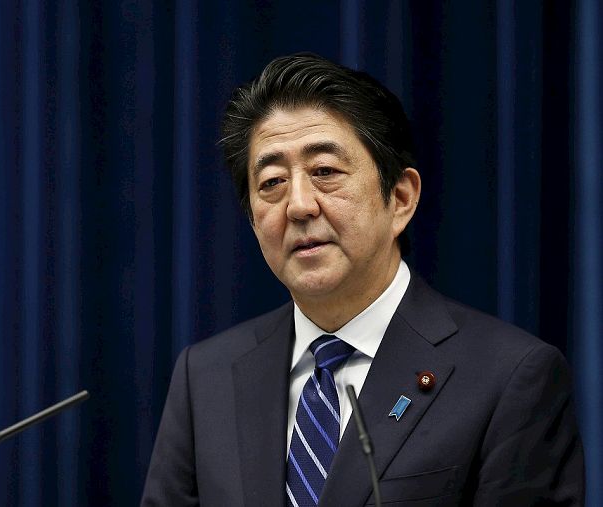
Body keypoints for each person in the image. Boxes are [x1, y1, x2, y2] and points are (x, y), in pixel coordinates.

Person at [141, 53, 584, 506]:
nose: (299, 205)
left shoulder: (509, 376)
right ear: (253, 219)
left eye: (325, 173)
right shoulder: (206, 376)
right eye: (272, 182)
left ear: (401, 198)